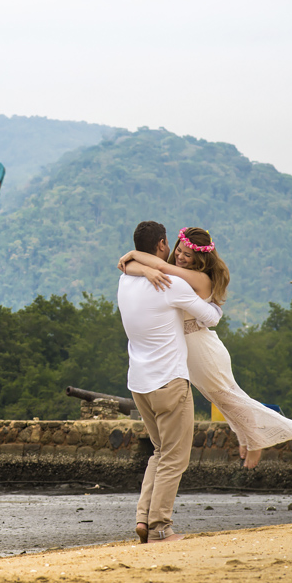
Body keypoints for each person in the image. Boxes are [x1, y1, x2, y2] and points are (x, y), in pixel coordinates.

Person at [118, 226, 292, 469]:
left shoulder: (197, 278)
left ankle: (256, 441)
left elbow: (159, 267)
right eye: (178, 251)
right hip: (185, 351)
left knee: (228, 397)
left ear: (199, 259)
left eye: (187, 255)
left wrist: (134, 256)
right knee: (222, 399)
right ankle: (248, 440)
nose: (180, 256)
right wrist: (137, 264)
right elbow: (128, 268)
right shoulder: (172, 276)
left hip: (202, 348)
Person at [118, 221, 223, 545]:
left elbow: (129, 263)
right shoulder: (172, 285)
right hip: (169, 381)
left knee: (160, 453)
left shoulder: (125, 279)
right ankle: (160, 527)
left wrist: (141, 266)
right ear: (163, 245)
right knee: (175, 458)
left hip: (139, 384)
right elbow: (211, 318)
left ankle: (143, 520)